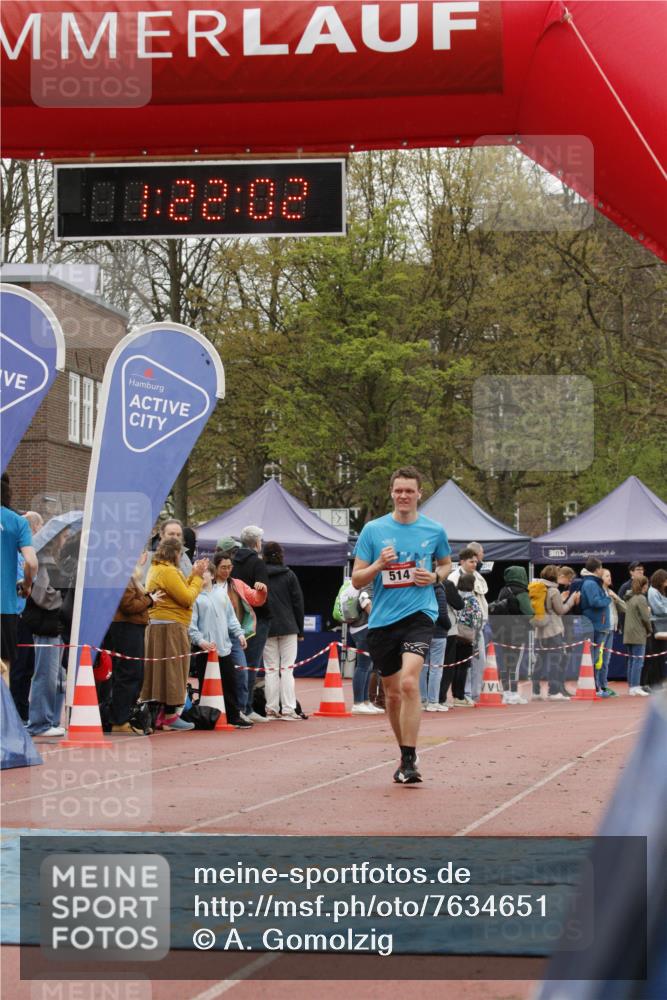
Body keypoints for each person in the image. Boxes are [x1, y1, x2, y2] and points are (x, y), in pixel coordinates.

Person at [352, 466, 451, 784]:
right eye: (399, 490)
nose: (404, 496)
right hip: (383, 620)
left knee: (409, 683)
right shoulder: (373, 530)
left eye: (409, 490)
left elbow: (446, 564)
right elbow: (356, 580)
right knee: (392, 695)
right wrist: (379, 564)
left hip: (420, 614)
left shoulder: (434, 530)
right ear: (391, 493)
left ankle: (409, 761)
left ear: (420, 494)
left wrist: (434, 577)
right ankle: (404, 750)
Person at [140, 538, 207, 731]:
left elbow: (179, 590)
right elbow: (187, 598)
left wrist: (193, 575)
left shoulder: (157, 568)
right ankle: (170, 716)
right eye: (180, 553)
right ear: (174, 553)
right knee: (174, 670)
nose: (182, 557)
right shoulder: (168, 571)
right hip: (171, 627)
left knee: (159, 672)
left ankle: (160, 715)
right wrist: (198, 578)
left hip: (159, 625)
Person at [189, 560, 249, 728]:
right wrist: (200, 641)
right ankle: (207, 717)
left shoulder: (222, 594)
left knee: (230, 683)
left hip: (224, 648)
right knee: (206, 685)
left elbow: (231, 617)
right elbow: (191, 625)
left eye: (204, 572)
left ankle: (233, 716)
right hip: (206, 651)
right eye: (198, 572)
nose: (201, 575)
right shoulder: (194, 597)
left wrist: (239, 634)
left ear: (212, 575)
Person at [22, 530, 69, 736]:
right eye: (64, 536)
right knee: (46, 674)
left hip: (52, 626)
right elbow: (43, 596)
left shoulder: (50, 562)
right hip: (46, 626)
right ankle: (41, 722)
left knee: (56, 675)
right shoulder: (43, 562)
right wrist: (65, 597)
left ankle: (49, 720)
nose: (66, 540)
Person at [213, 552, 268, 723]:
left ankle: (241, 709)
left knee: (242, 673)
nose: (227, 571)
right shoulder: (207, 584)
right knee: (214, 674)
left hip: (233, 635)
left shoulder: (237, 584)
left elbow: (256, 600)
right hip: (212, 637)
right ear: (215, 568)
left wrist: (262, 591)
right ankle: (213, 709)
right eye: (223, 567)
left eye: (229, 567)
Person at [106, 551, 157, 735]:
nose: (142, 556)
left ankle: (125, 717)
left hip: (131, 627)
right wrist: (149, 600)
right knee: (129, 674)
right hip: (126, 627)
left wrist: (148, 599)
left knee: (133, 674)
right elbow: (127, 605)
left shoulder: (127, 574)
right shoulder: (122, 574)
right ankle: (119, 720)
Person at [226, 527, 271, 723]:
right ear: (257, 543)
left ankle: (236, 706)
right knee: (251, 664)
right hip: (255, 619)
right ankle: (247, 707)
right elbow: (262, 592)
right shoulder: (258, 563)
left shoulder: (232, 562)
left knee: (235, 664)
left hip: (234, 617)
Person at [262, 541, 305, 720]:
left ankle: (271, 709)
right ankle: (288, 709)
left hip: (268, 627)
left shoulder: (260, 575)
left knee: (270, 669)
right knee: (287, 669)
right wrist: (300, 630)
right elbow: (298, 603)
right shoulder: (289, 575)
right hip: (289, 626)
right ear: (281, 555)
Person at [1, 475, 37, 682]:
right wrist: (27, 585)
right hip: (4, 606)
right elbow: (31, 563)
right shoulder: (17, 522)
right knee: (4, 668)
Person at [10, 511, 43, 720]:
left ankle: (22, 710)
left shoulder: (25, 555)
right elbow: (22, 581)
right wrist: (27, 583)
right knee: (18, 666)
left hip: (25, 616)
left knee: (27, 665)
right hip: (15, 614)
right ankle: (15, 711)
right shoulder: (17, 555)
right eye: (39, 528)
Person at [532, 565, 579, 700]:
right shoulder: (553, 590)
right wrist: (571, 600)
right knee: (555, 661)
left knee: (540, 661)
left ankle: (536, 692)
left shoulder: (537, 588)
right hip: (553, 630)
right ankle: (554, 692)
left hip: (539, 630)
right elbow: (561, 610)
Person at [448, 545, 488, 701]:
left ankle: (475, 693)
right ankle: (464, 693)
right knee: (462, 662)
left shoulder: (478, 577)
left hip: (478, 626)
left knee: (479, 660)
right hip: (461, 628)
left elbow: (481, 600)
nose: (475, 564)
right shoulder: (453, 578)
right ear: (462, 561)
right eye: (471, 561)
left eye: (476, 562)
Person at [490, 566, 534, 704]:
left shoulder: (503, 590)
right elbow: (529, 613)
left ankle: (506, 692)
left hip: (502, 631)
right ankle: (514, 692)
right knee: (515, 664)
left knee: (505, 663)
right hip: (517, 632)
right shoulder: (521, 592)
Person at [578, 557, 612, 697]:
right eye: (601, 568)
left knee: (596, 659)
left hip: (598, 624)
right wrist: (608, 599)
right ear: (598, 569)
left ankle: (595, 686)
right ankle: (593, 688)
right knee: (593, 658)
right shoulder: (591, 583)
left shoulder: (592, 582)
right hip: (596, 625)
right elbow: (595, 602)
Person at [347, 582, 382, 715]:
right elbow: (364, 599)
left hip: (361, 627)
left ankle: (365, 701)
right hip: (364, 627)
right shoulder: (370, 580)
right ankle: (358, 703)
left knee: (368, 666)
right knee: (363, 666)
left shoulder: (368, 580)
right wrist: (378, 620)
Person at [419, 576, 450, 712]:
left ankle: (422, 700)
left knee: (422, 667)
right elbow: (442, 612)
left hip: (421, 632)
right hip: (438, 633)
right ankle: (433, 701)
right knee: (436, 668)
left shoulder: (419, 588)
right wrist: (448, 626)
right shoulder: (439, 589)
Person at [438, 576, 466, 706]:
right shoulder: (446, 584)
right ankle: (440, 697)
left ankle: (426, 697)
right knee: (447, 665)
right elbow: (459, 604)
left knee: (428, 666)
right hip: (447, 630)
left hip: (425, 629)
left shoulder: (420, 581)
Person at [622, 575, 652, 696]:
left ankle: (632, 686)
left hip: (628, 632)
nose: (647, 587)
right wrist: (649, 630)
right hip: (638, 633)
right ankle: (635, 686)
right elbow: (645, 617)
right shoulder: (641, 598)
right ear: (644, 585)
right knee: (638, 661)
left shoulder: (629, 597)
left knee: (632, 660)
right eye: (647, 584)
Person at [600, 568, 626, 697]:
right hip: (602, 629)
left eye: (610, 575)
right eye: (606, 576)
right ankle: (598, 686)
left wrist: (616, 598)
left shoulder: (610, 592)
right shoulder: (599, 592)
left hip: (611, 629)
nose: (609, 578)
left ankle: (603, 686)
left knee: (606, 660)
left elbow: (625, 608)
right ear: (600, 578)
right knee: (599, 660)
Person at [646, 569, 667, 689]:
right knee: (656, 655)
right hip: (656, 626)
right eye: (665, 580)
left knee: (662, 656)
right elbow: (659, 609)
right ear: (660, 580)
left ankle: (660, 680)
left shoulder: (661, 591)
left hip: (663, 626)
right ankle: (654, 682)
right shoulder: (652, 591)